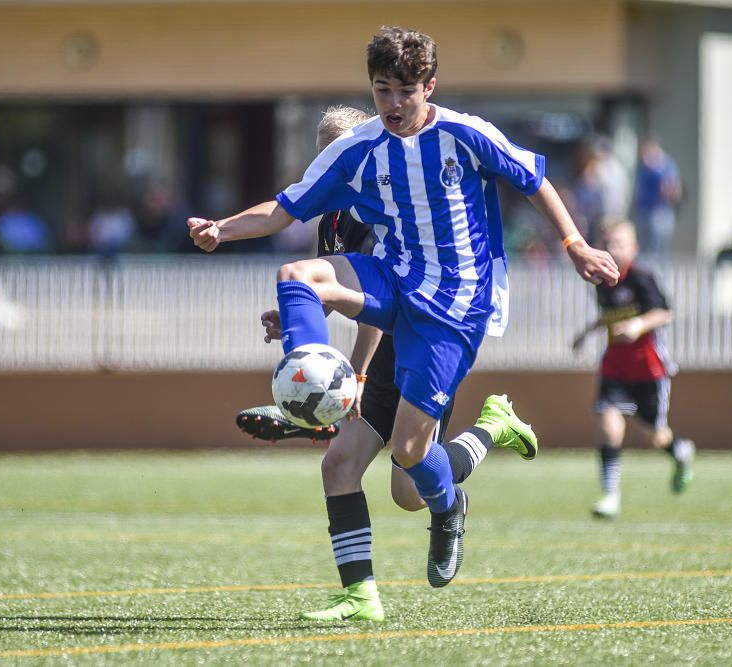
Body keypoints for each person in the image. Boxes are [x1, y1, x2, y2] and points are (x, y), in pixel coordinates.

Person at [187, 26, 618, 609]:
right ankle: (311, 389)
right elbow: (283, 208)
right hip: (396, 278)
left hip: (456, 306)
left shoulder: (465, 135)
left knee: (411, 462)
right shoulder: (357, 149)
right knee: (297, 278)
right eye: (381, 89)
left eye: (404, 92)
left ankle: (450, 503)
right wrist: (224, 227)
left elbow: (534, 180)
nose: (391, 104)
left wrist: (574, 245)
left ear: (428, 87)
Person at [236, 106, 535, 622]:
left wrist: (353, 375)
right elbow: (345, 289)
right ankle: (361, 596)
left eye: (342, 146)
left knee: (410, 491)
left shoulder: (385, 209)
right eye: (324, 148)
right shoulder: (330, 216)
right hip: (379, 358)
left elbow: (380, 311)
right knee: (340, 465)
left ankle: (490, 428)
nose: (334, 158)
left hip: (414, 348)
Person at [571, 218, 695, 519]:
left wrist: (639, 325)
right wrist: (587, 332)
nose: (613, 249)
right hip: (615, 365)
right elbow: (610, 316)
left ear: (634, 248)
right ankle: (610, 495)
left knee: (654, 436)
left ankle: (680, 452)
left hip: (648, 369)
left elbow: (664, 313)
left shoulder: (642, 278)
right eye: (608, 243)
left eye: (620, 243)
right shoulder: (602, 282)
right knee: (609, 425)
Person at [631, 135, 681, 257]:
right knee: (646, 249)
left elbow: (670, 188)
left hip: (659, 212)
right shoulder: (644, 167)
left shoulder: (664, 165)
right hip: (645, 212)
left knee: (657, 249)